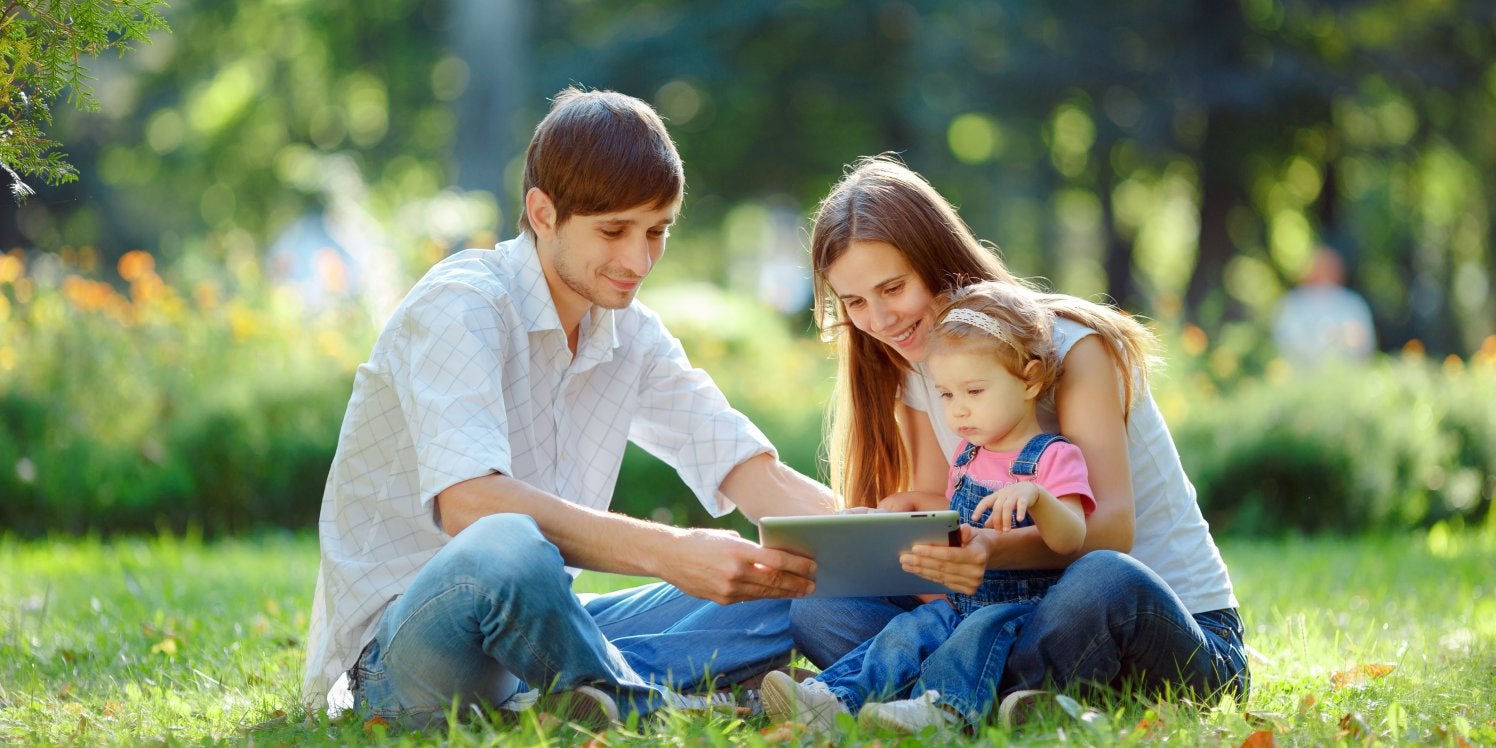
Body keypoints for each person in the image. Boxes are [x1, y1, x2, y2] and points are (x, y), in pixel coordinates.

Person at [301, 87, 836, 728]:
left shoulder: (628, 331)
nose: (638, 260)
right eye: (613, 231)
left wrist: (907, 545)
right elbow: (469, 505)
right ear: (543, 211)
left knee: (784, 583)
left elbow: (749, 470)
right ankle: (647, 703)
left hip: (542, 633)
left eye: (657, 232)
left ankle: (588, 691)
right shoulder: (463, 303)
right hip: (404, 654)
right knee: (507, 542)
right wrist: (669, 550)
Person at [789, 155, 1248, 724]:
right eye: (855, 302)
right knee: (819, 612)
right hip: (1010, 615)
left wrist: (989, 550)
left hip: (1164, 627)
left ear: (938, 263)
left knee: (1102, 580)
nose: (879, 319)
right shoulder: (914, 365)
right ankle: (998, 700)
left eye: (893, 288)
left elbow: (1110, 534)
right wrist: (903, 528)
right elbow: (951, 507)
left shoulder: (1069, 348)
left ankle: (927, 696)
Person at [762, 281, 1094, 734]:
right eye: (947, 395)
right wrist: (917, 507)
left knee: (973, 638)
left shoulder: (1053, 456)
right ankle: (834, 698)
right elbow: (966, 517)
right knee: (908, 631)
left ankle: (943, 712)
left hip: (1024, 611)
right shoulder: (970, 454)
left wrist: (1038, 498)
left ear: (1030, 380)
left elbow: (1073, 538)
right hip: (962, 600)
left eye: (974, 392)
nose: (959, 411)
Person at [1271, 245, 1376, 367]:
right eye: (1321, 266)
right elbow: (1284, 341)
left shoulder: (1352, 302)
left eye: (1330, 267)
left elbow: (1365, 344)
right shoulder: (1293, 304)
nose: (1326, 271)